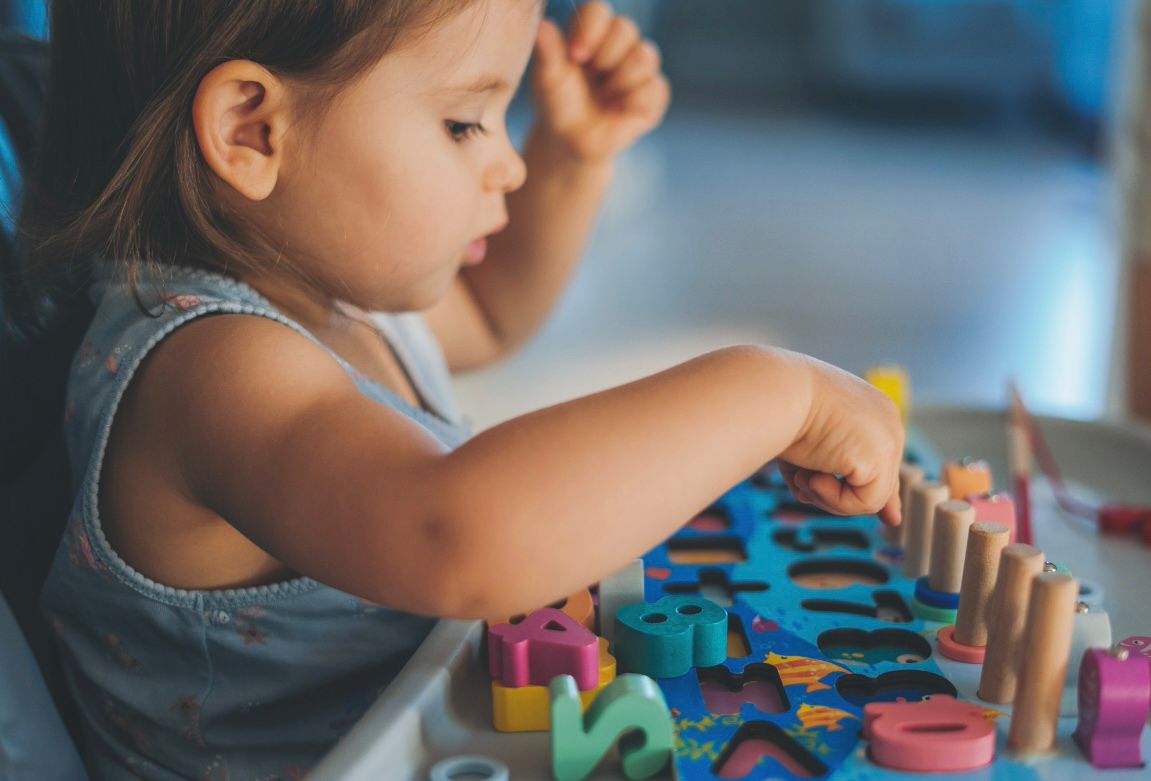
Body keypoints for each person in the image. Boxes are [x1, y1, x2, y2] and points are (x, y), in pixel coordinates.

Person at [19, 0, 904, 777]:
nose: (506, 164)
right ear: (254, 130)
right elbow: (459, 534)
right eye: (465, 122)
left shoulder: (325, 294)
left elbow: (490, 313)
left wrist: (573, 158)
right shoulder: (207, 369)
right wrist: (775, 390)